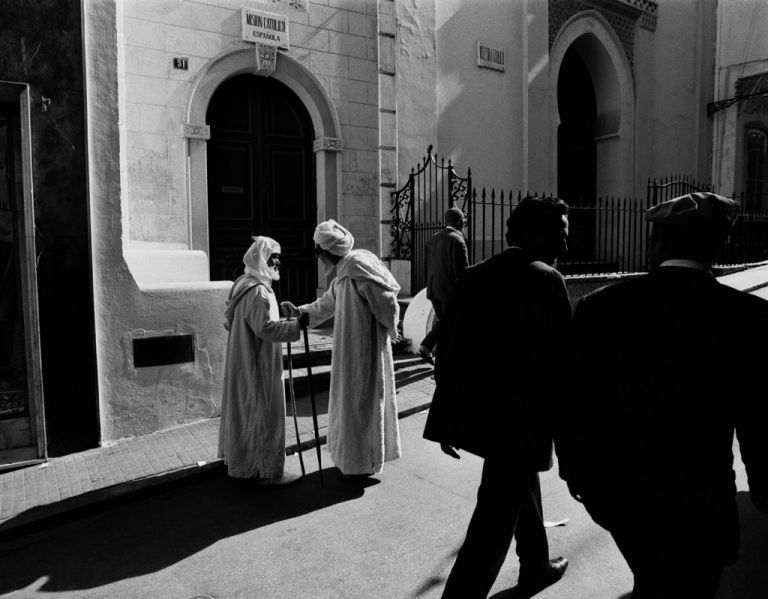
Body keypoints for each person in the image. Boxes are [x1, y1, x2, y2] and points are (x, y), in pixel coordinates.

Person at [557, 192, 768, 598]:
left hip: (620, 495)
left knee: (651, 576)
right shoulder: (749, 317)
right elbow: (760, 416)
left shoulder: (599, 307)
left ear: (658, 242)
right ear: (720, 245)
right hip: (700, 498)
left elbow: (570, 400)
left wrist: (575, 469)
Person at [424, 196, 572, 598]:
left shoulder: (476, 275)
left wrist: (447, 421)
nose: (566, 244)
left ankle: (536, 567)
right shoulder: (546, 281)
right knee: (492, 521)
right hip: (521, 422)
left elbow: (450, 352)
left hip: (484, 416)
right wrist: (572, 447)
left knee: (518, 489)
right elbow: (560, 371)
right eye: (561, 233)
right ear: (537, 234)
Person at [281, 219, 402, 479]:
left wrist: (390, 325)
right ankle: (354, 460)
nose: (318, 258)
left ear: (329, 251)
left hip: (366, 347)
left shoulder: (357, 265)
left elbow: (387, 298)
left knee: (363, 401)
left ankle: (364, 461)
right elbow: (326, 304)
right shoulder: (344, 273)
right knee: (352, 402)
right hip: (350, 348)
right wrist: (299, 312)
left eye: (319, 253)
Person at [218, 236, 307, 485]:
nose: (277, 262)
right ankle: (267, 472)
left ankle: (247, 467)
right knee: (264, 414)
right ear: (260, 259)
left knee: (249, 412)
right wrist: (295, 326)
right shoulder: (257, 291)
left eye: (278, 257)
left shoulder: (243, 284)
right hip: (258, 364)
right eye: (272, 257)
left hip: (246, 360)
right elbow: (265, 329)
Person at [417, 206, 468, 365]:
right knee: (449, 322)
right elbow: (462, 272)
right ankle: (427, 347)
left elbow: (427, 266)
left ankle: (439, 353)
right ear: (460, 222)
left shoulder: (433, 238)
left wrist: (429, 286)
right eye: (464, 222)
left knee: (445, 322)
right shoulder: (458, 240)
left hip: (433, 289)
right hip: (450, 291)